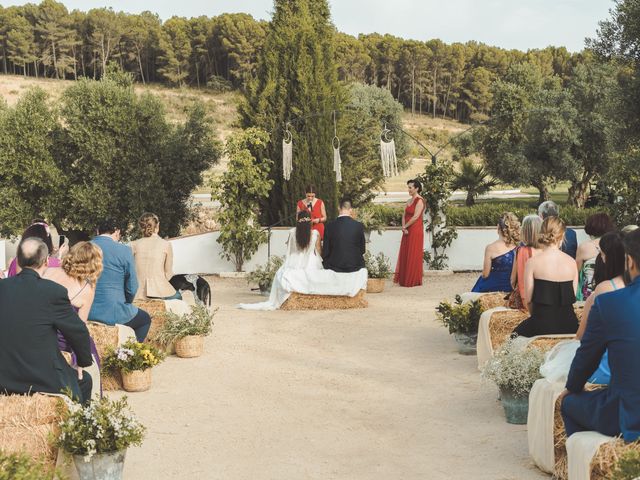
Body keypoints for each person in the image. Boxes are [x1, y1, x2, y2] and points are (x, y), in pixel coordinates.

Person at [560, 228, 640, 442]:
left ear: (630, 261)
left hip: (630, 414)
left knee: (568, 404)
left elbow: (587, 356)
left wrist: (571, 388)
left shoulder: (609, 302)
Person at [0, 238, 93, 404]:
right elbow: (78, 331)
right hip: (40, 379)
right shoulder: (53, 292)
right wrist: (83, 361)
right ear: (46, 261)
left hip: (3, 376)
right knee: (85, 380)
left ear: (18, 260)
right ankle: (79, 428)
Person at [44, 241, 104, 398]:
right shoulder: (86, 289)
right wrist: (78, 359)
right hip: (62, 341)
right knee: (92, 355)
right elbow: (79, 328)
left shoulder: (48, 272)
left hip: (41, 333)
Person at [238, 210, 323, 311]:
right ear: (310, 221)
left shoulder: (292, 233)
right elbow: (318, 251)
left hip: (294, 260)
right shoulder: (315, 234)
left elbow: (289, 250)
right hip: (310, 260)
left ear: (298, 220)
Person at [512, 216, 579, 337]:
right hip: (570, 325)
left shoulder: (532, 262)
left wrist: (537, 318)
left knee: (513, 338)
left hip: (541, 324)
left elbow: (529, 300)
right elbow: (572, 296)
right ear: (562, 236)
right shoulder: (572, 262)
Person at [89, 219, 151, 342]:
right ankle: (128, 353)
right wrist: (127, 302)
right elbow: (132, 286)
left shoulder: (82, 248)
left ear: (97, 231)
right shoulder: (123, 250)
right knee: (145, 320)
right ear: (117, 232)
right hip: (113, 311)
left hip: (85, 310)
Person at [130, 213, 181, 301]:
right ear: (157, 225)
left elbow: (130, 271)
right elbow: (168, 273)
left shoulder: (133, 245)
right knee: (178, 297)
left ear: (141, 227)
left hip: (137, 292)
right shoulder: (166, 244)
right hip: (159, 291)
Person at [471, 212, 520, 293]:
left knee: (479, 284)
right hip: (512, 286)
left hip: (495, 286)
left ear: (498, 227)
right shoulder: (519, 246)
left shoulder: (490, 248)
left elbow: (485, 274)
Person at [576, 213, 616, 300]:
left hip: (588, 295)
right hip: (612, 291)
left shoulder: (584, 247)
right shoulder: (614, 245)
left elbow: (576, 272)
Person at [394, 179, 425, 287]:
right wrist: (403, 227)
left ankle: (412, 279)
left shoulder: (420, 200)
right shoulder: (408, 201)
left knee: (413, 252)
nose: (409, 189)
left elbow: (416, 216)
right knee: (406, 252)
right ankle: (404, 278)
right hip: (406, 229)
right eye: (408, 187)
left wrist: (405, 226)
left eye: (410, 187)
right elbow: (404, 215)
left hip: (415, 230)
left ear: (416, 188)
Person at [508, 214, 543, 311]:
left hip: (528, 301)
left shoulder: (522, 251)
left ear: (524, 232)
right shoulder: (548, 250)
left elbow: (513, 280)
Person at [322, 199, 365, 273]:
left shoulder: (329, 226)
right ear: (351, 209)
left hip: (334, 266)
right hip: (355, 266)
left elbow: (326, 251)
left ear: (339, 208)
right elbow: (362, 249)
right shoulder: (359, 226)